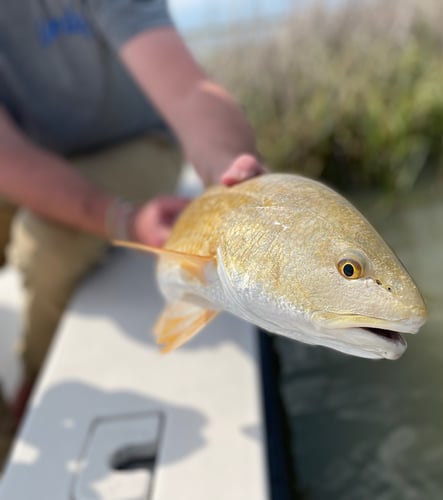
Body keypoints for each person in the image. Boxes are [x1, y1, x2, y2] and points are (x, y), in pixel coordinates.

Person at [0, 0, 267, 466]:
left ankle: (31, 386)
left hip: (135, 141)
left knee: (50, 245)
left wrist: (229, 173)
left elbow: (187, 92)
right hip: (25, 154)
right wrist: (120, 219)